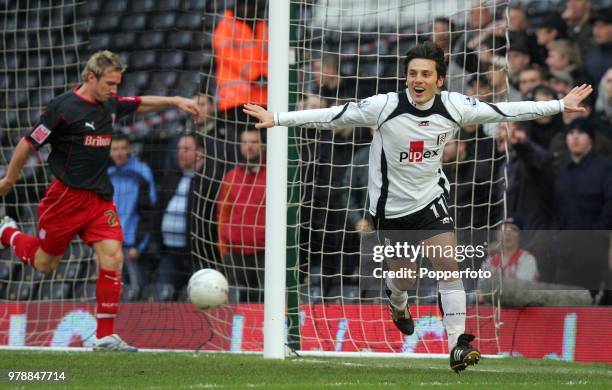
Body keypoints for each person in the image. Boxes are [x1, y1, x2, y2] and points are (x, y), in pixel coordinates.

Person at [243, 41, 592, 372]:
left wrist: (559, 105)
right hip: (390, 211)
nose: (418, 80)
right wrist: (278, 118)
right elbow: (334, 115)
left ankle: (458, 344)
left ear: (439, 79)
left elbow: (506, 109)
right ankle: (396, 300)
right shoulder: (384, 107)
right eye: (412, 74)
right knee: (405, 278)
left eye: (425, 74)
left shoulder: (454, 106)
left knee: (447, 266)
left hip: (431, 202)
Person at [0, 50, 201, 351]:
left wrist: (175, 101)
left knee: (113, 256)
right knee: (44, 264)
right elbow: (27, 144)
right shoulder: (63, 108)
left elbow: (140, 102)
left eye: (117, 84)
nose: (114, 90)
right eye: (109, 83)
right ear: (90, 77)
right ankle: (7, 232)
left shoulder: (110, 104)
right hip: (64, 199)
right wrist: (8, 181)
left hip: (99, 198)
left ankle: (105, 335)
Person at [153, 133, 207, 301]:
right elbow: (157, 211)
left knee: (197, 298)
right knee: (164, 296)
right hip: (168, 251)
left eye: (186, 149)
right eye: (179, 149)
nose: (180, 153)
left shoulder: (208, 179)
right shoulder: (171, 176)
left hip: (195, 254)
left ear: (200, 153)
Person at [217, 128, 266, 302]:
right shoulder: (231, 177)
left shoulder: (274, 174)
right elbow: (223, 212)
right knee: (239, 302)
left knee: (264, 300)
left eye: (253, 142)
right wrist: (222, 244)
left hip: (265, 252)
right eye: (244, 142)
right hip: (235, 251)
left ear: (263, 145)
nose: (248, 147)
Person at [108, 134, 156, 301]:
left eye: (123, 148)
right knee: (113, 294)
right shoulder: (108, 174)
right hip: (111, 247)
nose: (119, 153)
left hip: (133, 248)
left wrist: (140, 245)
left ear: (129, 150)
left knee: (137, 294)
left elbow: (149, 212)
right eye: (115, 149)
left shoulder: (142, 173)